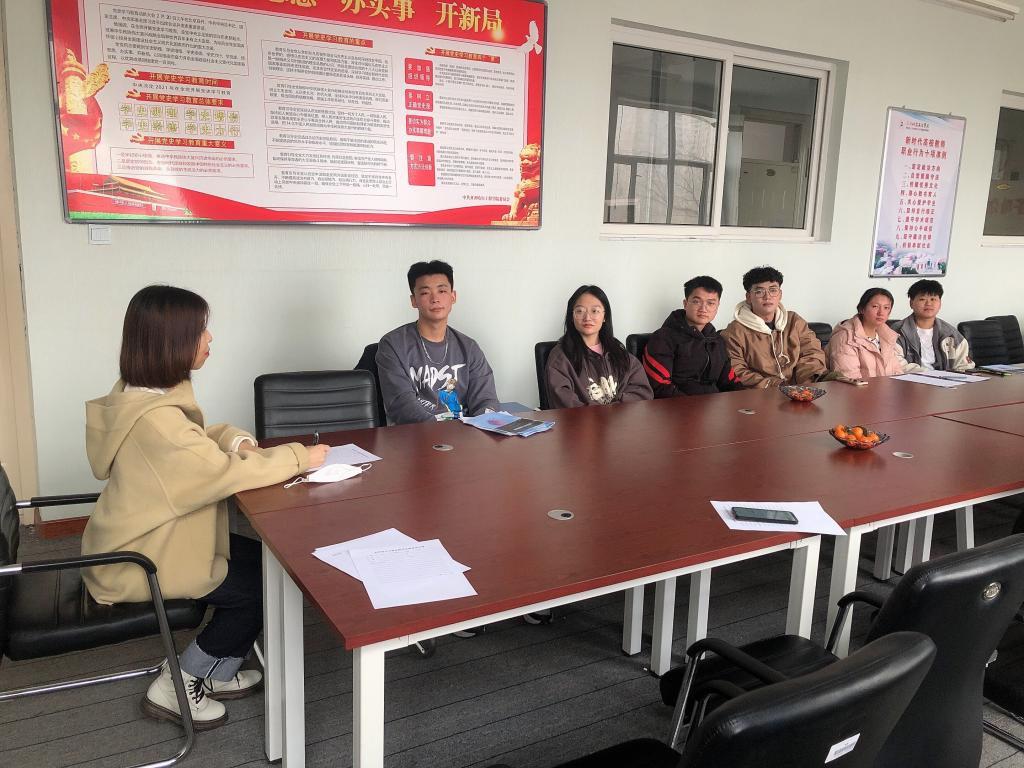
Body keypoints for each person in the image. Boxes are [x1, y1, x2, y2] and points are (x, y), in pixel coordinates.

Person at [81, 285, 330, 729]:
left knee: (269, 562)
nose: (210, 338)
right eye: (201, 331)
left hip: (151, 538)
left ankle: (216, 670)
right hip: (139, 560)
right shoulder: (157, 423)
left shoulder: (142, 396)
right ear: (172, 341)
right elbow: (223, 473)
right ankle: (180, 683)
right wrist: (299, 457)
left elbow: (196, 440)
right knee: (263, 585)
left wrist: (235, 439)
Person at [376, 260, 499, 424]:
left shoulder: (469, 347)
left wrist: (485, 424)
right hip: (415, 434)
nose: (435, 299)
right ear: (413, 300)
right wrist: (442, 431)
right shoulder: (393, 345)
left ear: (453, 296)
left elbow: (486, 400)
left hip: (464, 433)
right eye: (425, 293)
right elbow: (401, 405)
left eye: (442, 291)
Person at [544, 285, 652, 408]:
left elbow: (642, 393)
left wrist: (614, 411)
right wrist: (605, 413)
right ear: (572, 317)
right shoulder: (560, 358)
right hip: (582, 420)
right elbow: (564, 404)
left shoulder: (619, 352)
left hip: (621, 419)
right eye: (580, 311)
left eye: (595, 311)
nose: (587, 317)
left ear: (605, 316)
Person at [721, 266, 827, 388]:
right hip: (760, 394)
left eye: (773, 290)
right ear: (748, 297)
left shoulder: (794, 321)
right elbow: (737, 370)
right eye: (759, 291)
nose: (767, 297)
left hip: (801, 389)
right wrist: (777, 386)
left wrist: (807, 381)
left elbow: (812, 353)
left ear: (780, 294)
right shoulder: (734, 332)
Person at [641, 275, 743, 396]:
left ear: (717, 307)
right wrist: (693, 405)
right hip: (677, 405)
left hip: (714, 404)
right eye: (696, 301)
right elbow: (659, 386)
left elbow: (731, 382)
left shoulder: (717, 340)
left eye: (710, 303)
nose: (703, 309)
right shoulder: (663, 338)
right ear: (685, 303)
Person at [891, 279, 974, 372]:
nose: (928, 303)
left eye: (933, 299)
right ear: (911, 303)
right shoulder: (897, 331)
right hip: (910, 379)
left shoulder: (951, 334)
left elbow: (964, 366)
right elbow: (896, 364)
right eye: (922, 299)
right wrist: (929, 375)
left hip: (945, 380)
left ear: (940, 303)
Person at [826, 288, 909, 380]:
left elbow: (897, 372)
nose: (881, 313)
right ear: (862, 309)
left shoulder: (887, 336)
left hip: (887, 388)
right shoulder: (845, 337)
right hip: (859, 389)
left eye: (886, 308)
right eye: (875, 306)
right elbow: (850, 380)